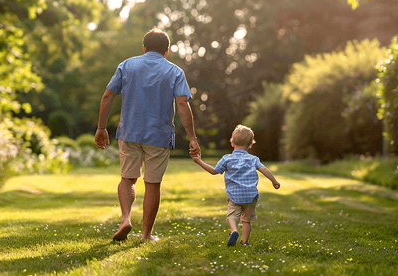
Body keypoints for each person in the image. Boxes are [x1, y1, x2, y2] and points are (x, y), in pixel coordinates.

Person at [95, 28, 200, 242]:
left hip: (129, 132)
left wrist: (101, 127)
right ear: (167, 51)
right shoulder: (174, 71)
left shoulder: (127, 65)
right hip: (158, 136)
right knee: (152, 184)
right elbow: (182, 104)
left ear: (144, 48)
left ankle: (125, 219)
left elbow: (107, 96)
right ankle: (146, 235)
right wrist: (192, 137)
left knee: (127, 179)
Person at [192, 124, 280, 246]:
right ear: (250, 145)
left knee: (232, 216)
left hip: (235, 195)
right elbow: (264, 169)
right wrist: (274, 181)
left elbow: (214, 171)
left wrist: (199, 161)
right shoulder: (253, 159)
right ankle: (244, 242)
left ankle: (234, 230)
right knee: (246, 221)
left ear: (232, 143)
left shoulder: (227, 159)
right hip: (250, 196)